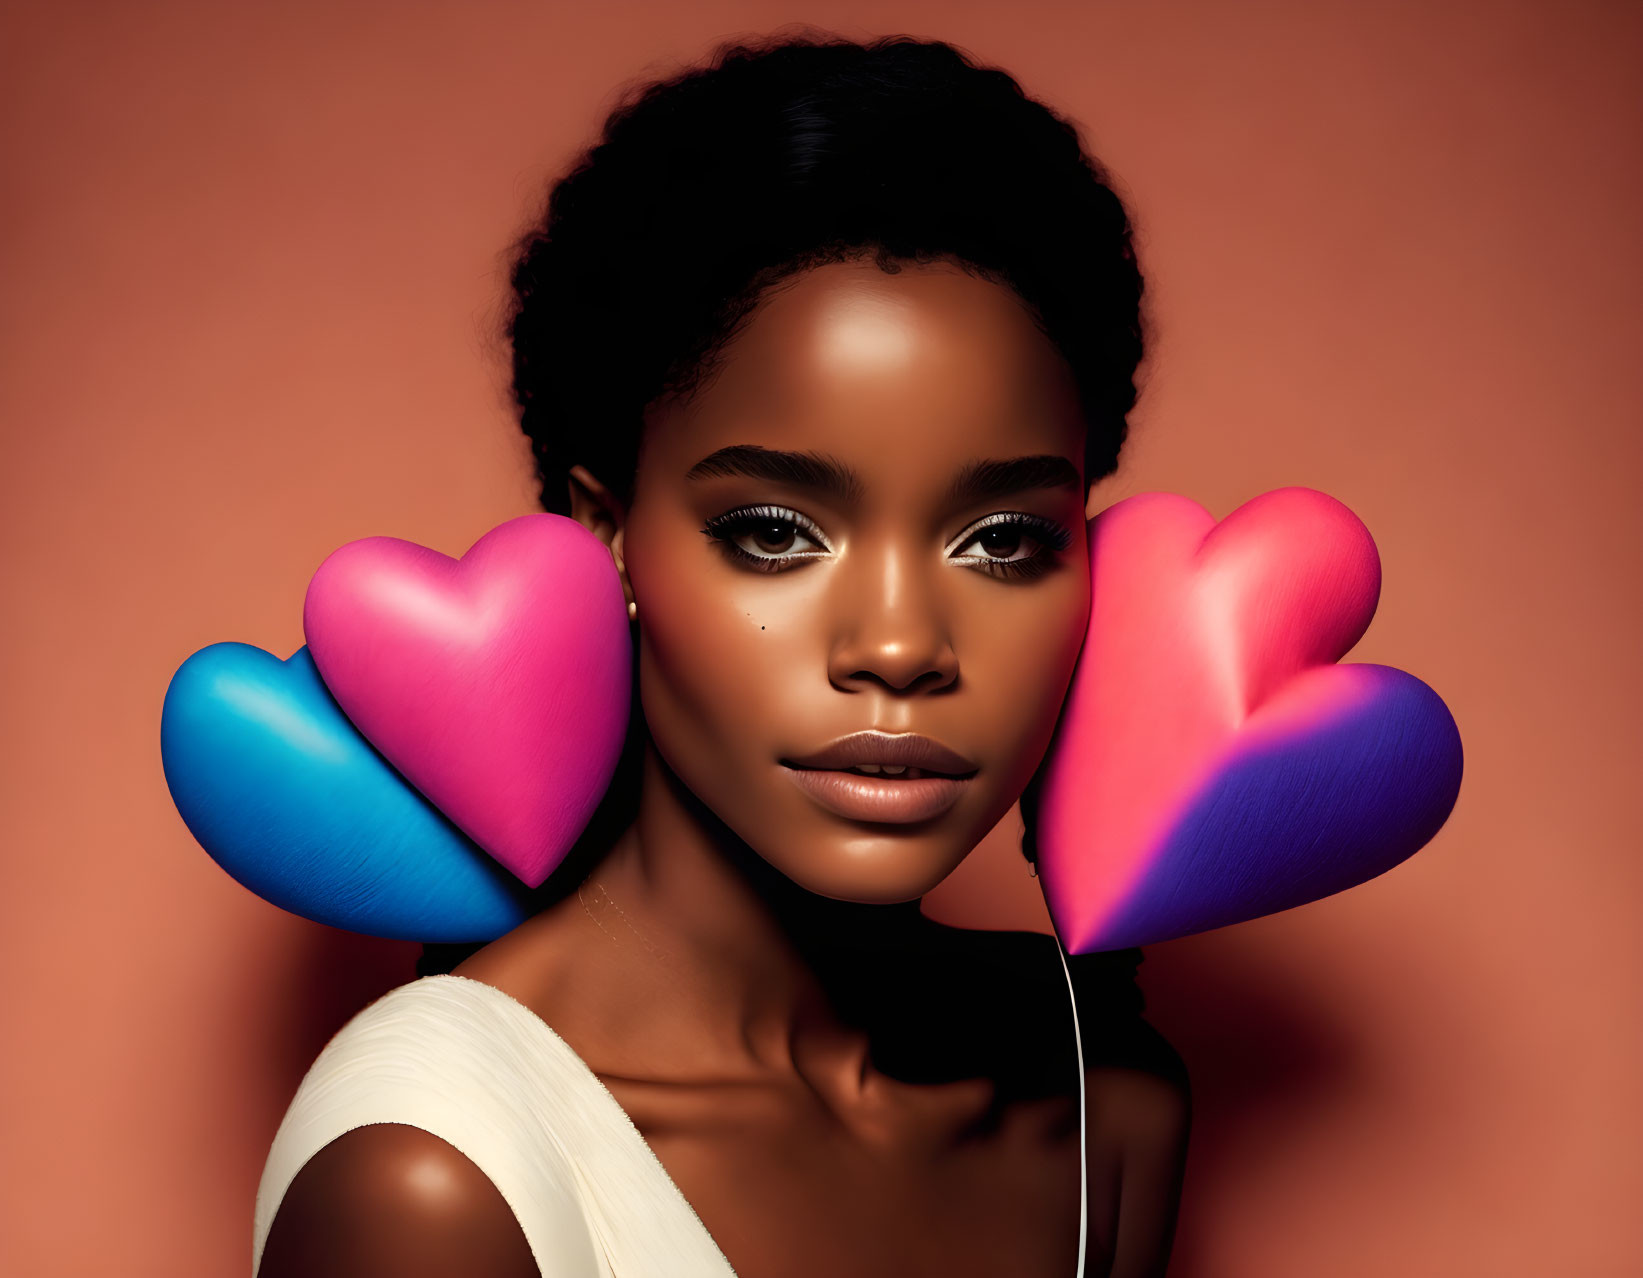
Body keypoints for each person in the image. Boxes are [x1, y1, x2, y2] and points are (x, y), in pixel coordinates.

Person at [256, 32, 1191, 1278]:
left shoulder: (1094, 1098)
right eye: (774, 533)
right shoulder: (430, 1180)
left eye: (1002, 540)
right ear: (609, 535)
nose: (900, 646)